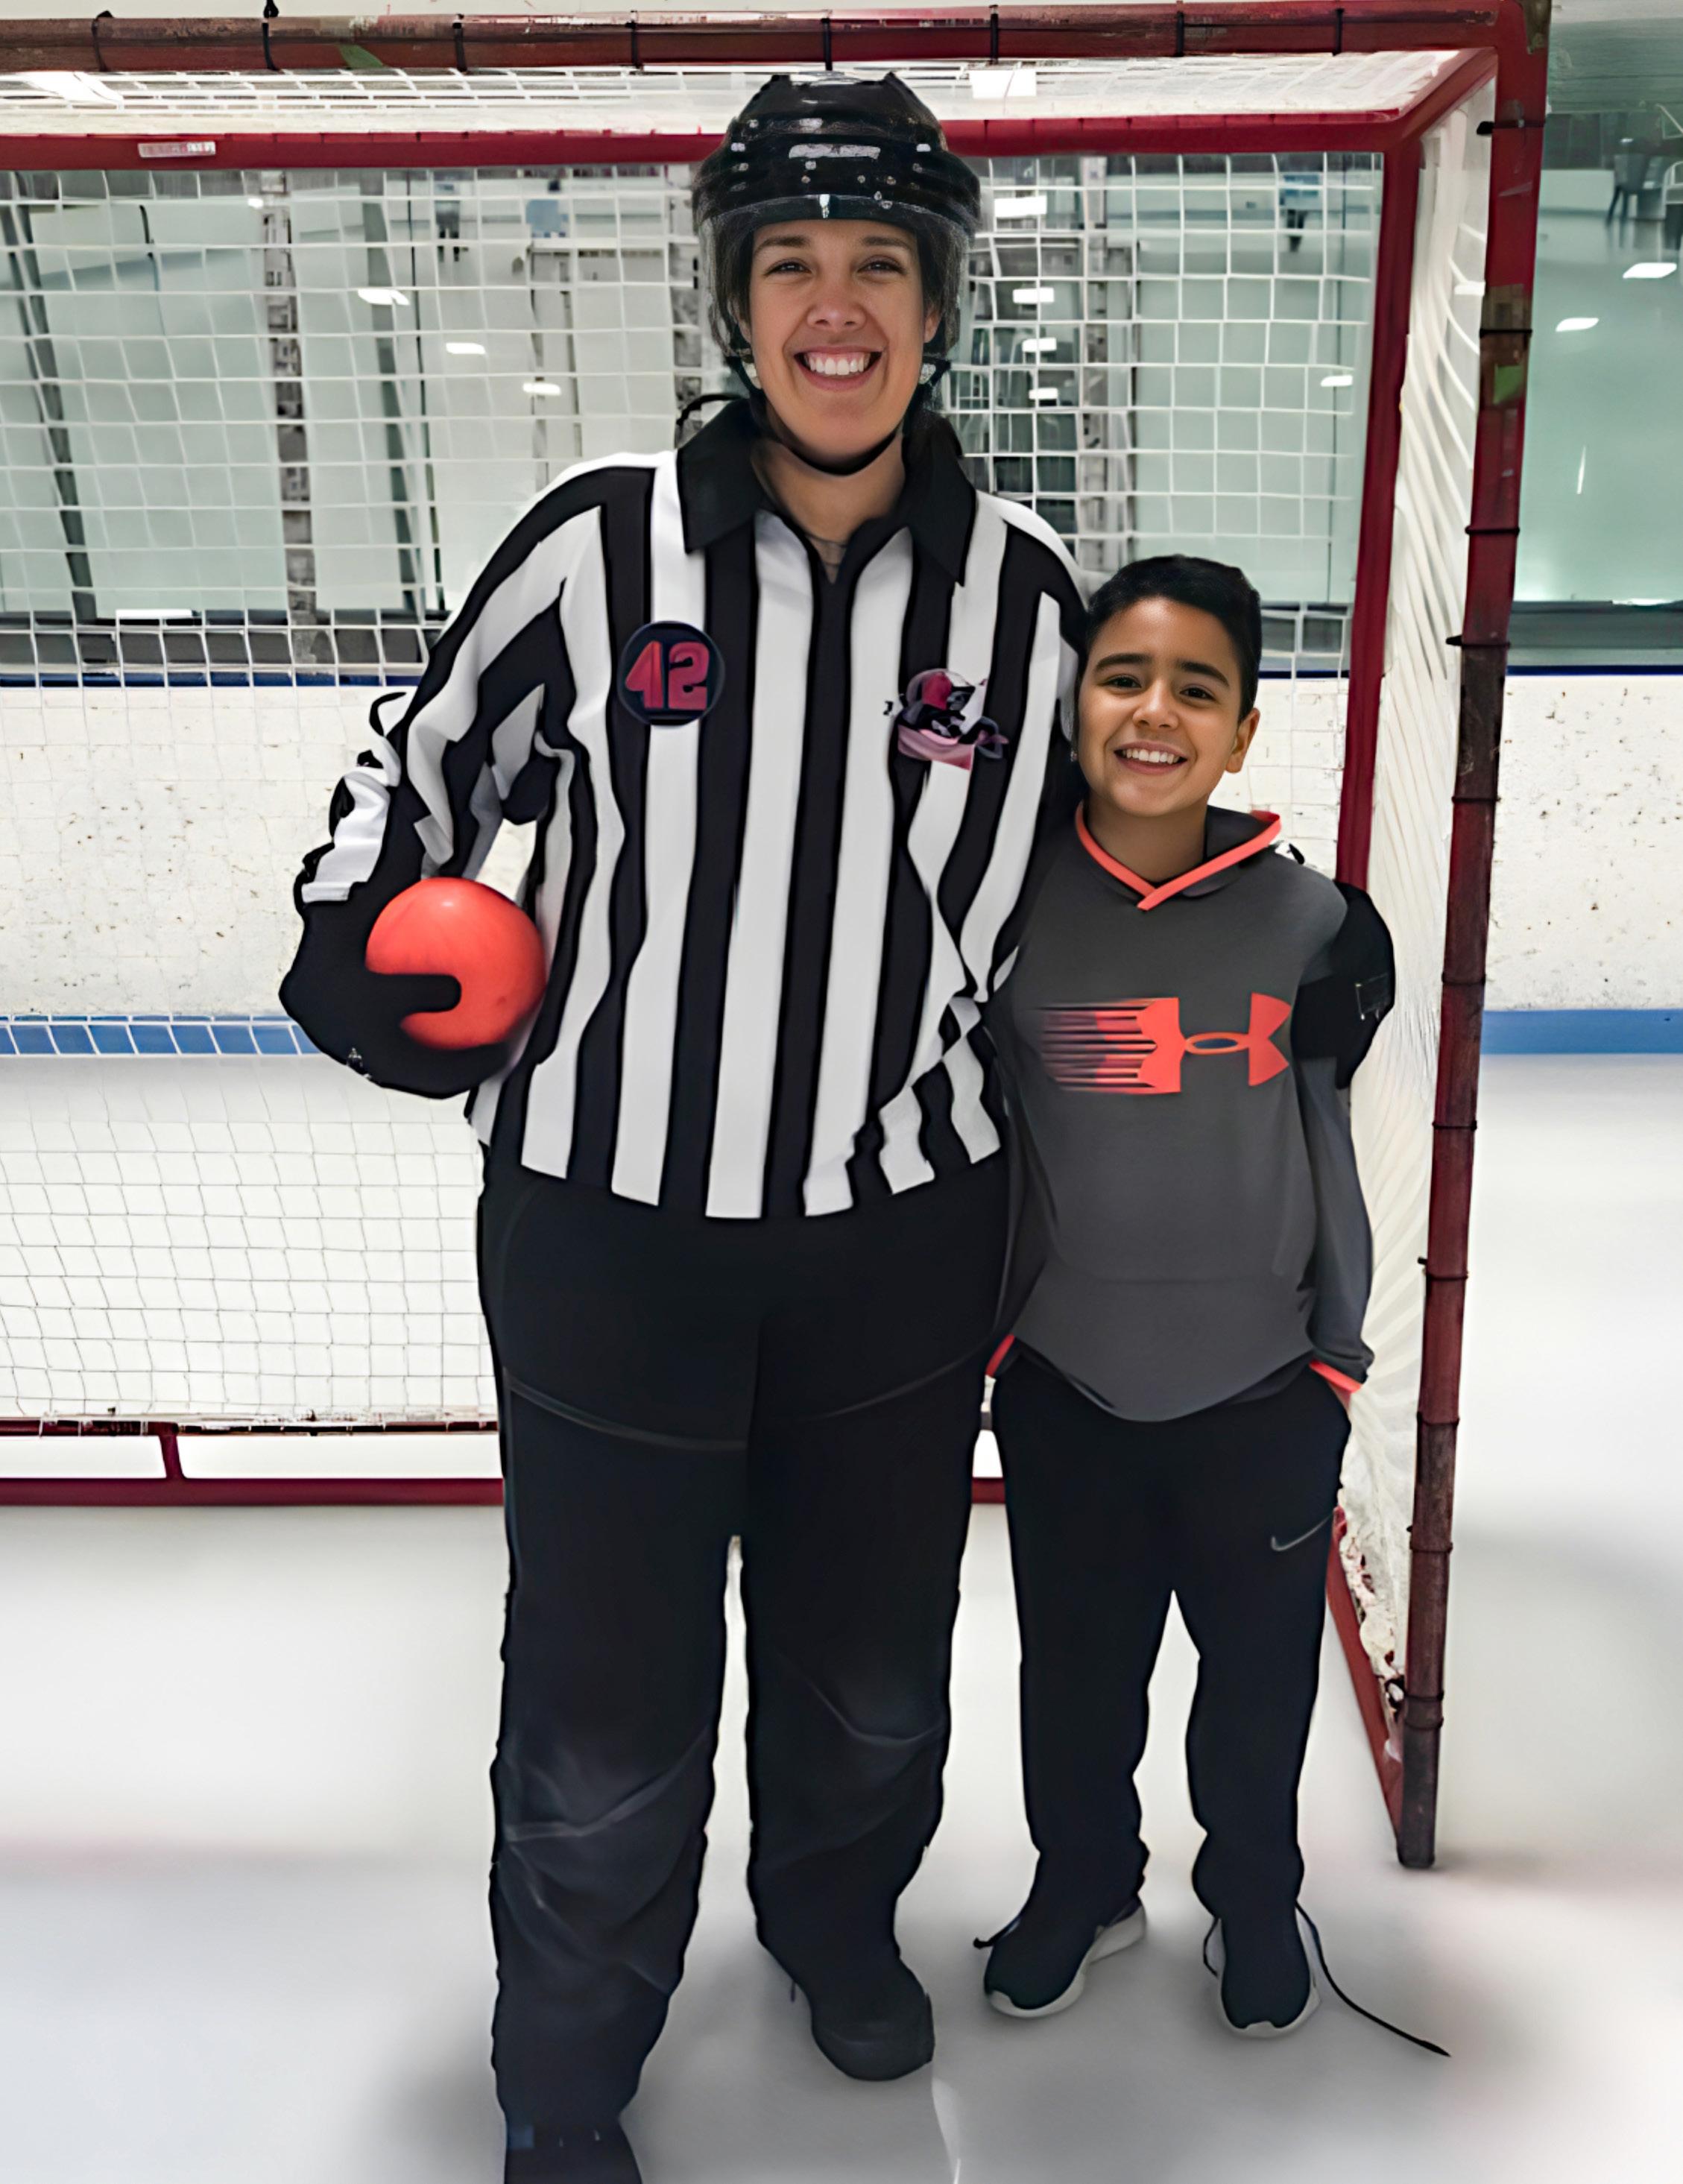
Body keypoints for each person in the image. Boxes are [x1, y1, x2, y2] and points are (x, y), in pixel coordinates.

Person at [279, 72, 1084, 2184]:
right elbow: (417, 761)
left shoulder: (1024, 594)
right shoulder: (596, 544)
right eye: (789, 264)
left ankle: (832, 1924)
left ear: (938, 305)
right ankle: (567, 2061)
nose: (836, 307)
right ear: (735, 304)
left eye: (880, 265)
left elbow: (1104, 861)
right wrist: (349, 930)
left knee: (869, 1665)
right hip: (608, 1226)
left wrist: (1284, 945)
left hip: (898, 1230)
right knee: (603, 1689)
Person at [977, 556, 1395, 2038]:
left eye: (1196, 689)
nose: (1155, 711)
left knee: (1257, 1682)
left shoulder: (1317, 925)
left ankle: (1256, 1896)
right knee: (1075, 1675)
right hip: (1067, 1380)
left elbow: (1322, 1138)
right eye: (1123, 678)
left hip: (1261, 1389)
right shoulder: (998, 905)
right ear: (1075, 706)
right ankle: (1084, 1883)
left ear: (1240, 731)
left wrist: (1330, 1353)